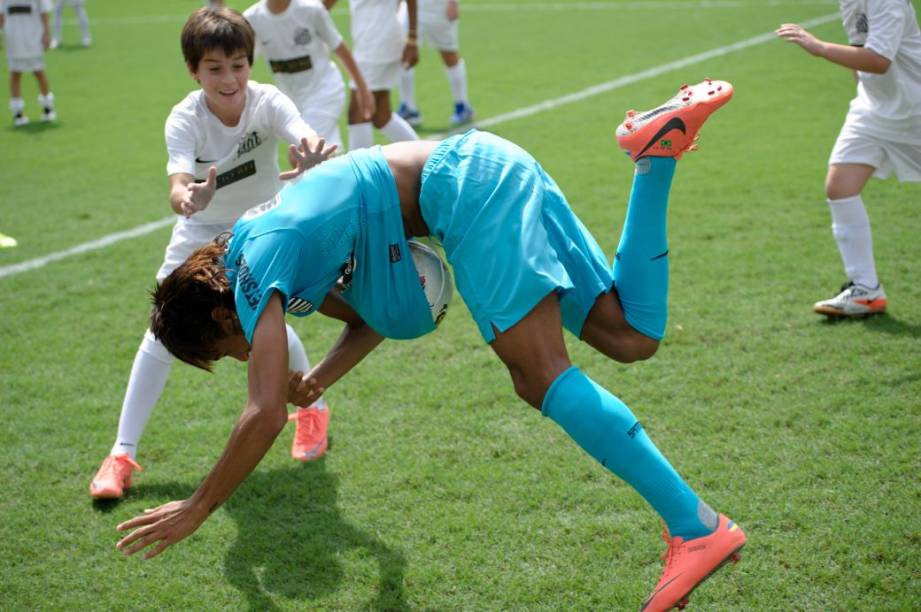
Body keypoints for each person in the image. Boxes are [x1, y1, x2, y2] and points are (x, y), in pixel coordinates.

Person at [116, 80, 746, 611]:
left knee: (539, 375)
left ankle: (696, 527)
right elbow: (368, 319)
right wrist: (324, 378)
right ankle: (654, 156)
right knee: (628, 334)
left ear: (219, 313)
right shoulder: (265, 249)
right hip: (488, 165)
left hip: (467, 189)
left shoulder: (254, 276)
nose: (243, 355)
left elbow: (264, 413)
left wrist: (198, 507)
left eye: (225, 349)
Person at [88, 7, 337, 500]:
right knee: (162, 329)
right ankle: (120, 453)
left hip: (261, 225)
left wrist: (309, 151)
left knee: (265, 324)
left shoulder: (266, 99)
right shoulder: (185, 118)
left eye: (239, 65)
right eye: (215, 68)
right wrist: (190, 198)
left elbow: (300, 130)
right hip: (199, 231)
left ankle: (312, 413)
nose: (230, 79)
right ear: (194, 70)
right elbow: (178, 185)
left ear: (250, 61)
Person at [777, 1, 921, 318]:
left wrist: (818, 47)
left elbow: (879, 59)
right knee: (840, 186)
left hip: (915, 111)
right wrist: (864, 92)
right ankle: (866, 291)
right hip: (872, 110)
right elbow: (862, 52)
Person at [243, 0, 374, 152]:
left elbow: (339, 47)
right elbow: (245, 61)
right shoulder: (252, 18)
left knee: (302, 152)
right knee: (325, 154)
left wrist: (363, 90)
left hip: (325, 91)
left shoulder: (311, 9)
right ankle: (348, 169)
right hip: (292, 100)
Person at [328, 0, 420, 150]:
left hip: (378, 45)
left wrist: (412, 38)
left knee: (358, 112)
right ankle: (427, 159)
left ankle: (359, 173)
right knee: (381, 117)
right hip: (372, 43)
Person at [396, 0, 473, 127]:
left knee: (448, 54)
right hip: (410, 7)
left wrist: (453, 2)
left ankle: (462, 105)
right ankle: (408, 107)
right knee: (403, 52)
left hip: (438, 7)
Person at [1, 0, 56, 126]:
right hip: (13, 38)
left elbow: (44, 12)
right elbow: (1, 14)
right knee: (15, 73)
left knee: (38, 72)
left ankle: (47, 107)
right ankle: (17, 112)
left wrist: (46, 34)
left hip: (33, 36)